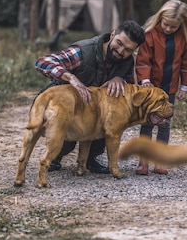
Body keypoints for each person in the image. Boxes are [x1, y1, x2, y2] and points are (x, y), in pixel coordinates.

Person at [35, 20, 146, 174]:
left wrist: (121, 79)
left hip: (92, 111)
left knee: (111, 115)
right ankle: (55, 156)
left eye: (128, 49)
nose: (121, 51)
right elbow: (43, 62)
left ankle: (91, 158)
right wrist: (70, 77)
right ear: (112, 34)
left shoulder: (126, 62)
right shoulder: (84, 51)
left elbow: (130, 92)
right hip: (61, 107)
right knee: (68, 137)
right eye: (119, 43)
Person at [134, 0, 187, 175]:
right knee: (147, 123)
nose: (169, 29)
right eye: (166, 25)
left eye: (173, 26)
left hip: (169, 89)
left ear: (181, 24)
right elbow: (143, 60)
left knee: (164, 124)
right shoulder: (150, 35)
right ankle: (143, 161)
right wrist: (144, 80)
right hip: (151, 90)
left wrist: (185, 86)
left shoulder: (184, 39)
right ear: (160, 18)